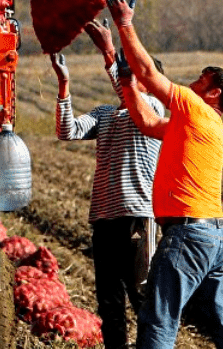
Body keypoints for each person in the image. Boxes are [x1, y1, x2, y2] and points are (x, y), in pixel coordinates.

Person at [105, 0, 223, 349]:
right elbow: (147, 121)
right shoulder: (203, 123)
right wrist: (126, 84)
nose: (193, 82)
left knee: (159, 316)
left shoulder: (196, 109)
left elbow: (149, 73)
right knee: (221, 317)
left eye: (202, 79)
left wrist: (124, 24)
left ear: (214, 93)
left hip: (189, 234)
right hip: (215, 236)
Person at [51, 19, 163, 349]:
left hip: (137, 218)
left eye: (138, 74)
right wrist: (63, 86)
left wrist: (108, 50)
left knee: (142, 297)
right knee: (110, 305)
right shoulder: (104, 114)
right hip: (103, 219)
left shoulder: (152, 110)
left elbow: (131, 100)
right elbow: (66, 131)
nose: (130, 77)